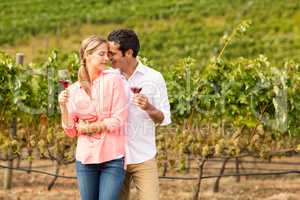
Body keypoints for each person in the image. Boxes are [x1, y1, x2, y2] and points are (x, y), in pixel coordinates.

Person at [58, 35, 128, 200]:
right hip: (85, 159)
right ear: (87, 55)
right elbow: (71, 131)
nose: (106, 59)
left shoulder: (114, 80)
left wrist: (88, 127)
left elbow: (118, 119)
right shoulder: (74, 90)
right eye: (101, 54)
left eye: (107, 55)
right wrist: (63, 107)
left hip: (113, 158)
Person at [107, 29, 171, 200]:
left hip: (143, 156)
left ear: (128, 53)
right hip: (115, 157)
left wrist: (149, 107)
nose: (108, 57)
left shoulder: (154, 78)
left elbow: (163, 118)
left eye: (112, 53)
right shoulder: (108, 77)